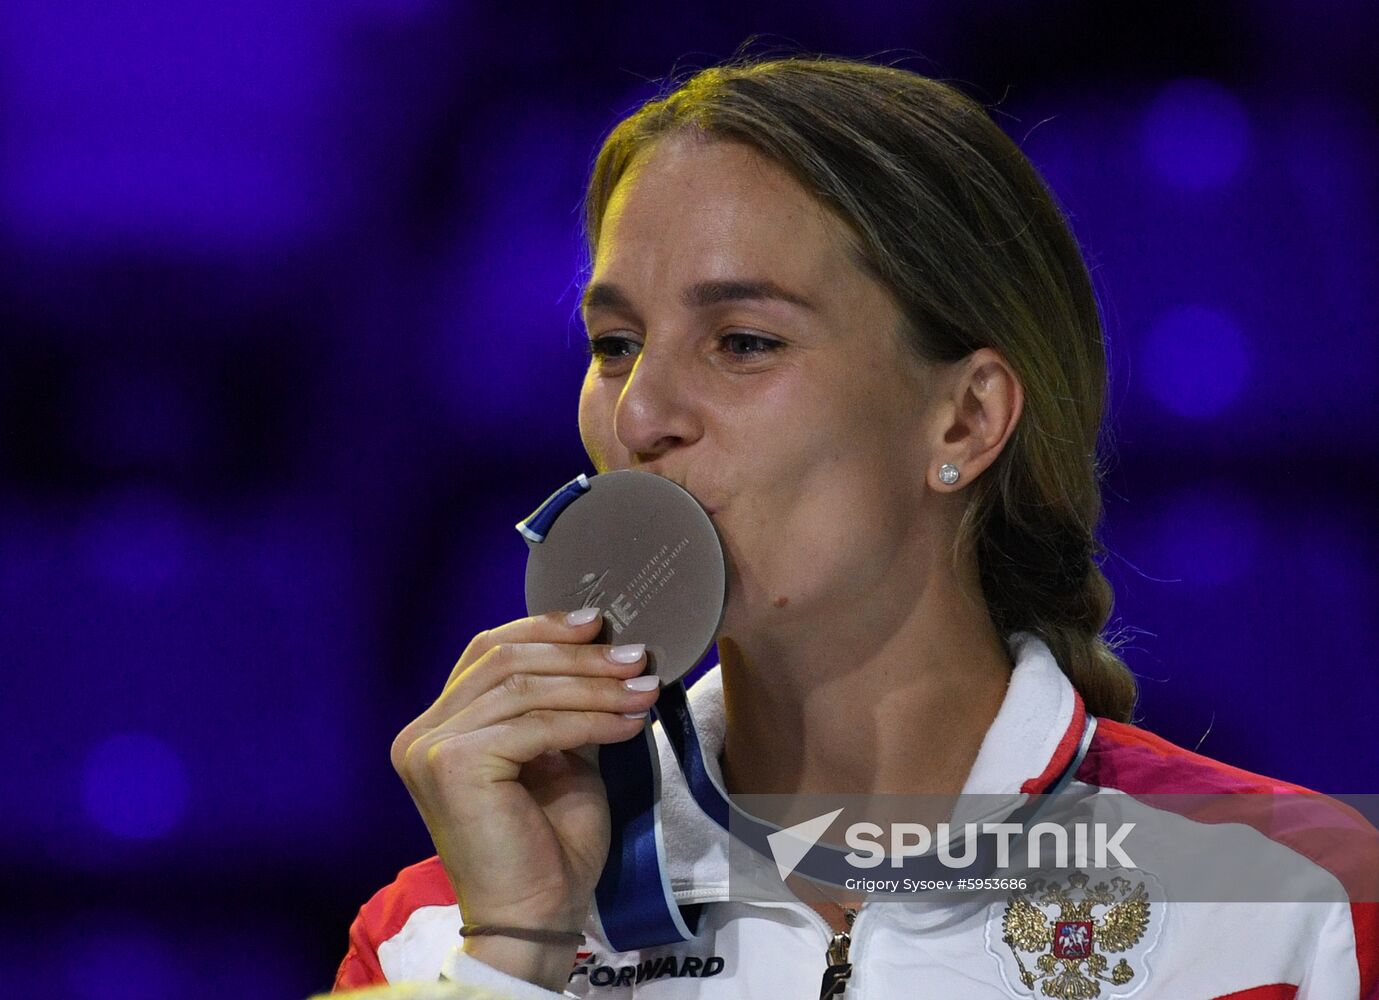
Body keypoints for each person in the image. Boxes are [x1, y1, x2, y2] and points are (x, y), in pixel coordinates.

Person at [332, 56, 1377, 998]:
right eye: (614, 344)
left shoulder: (1292, 907)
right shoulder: (432, 934)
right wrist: (514, 954)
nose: (639, 415)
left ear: (963, 418)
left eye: (740, 341)